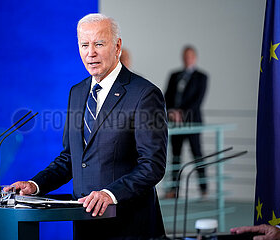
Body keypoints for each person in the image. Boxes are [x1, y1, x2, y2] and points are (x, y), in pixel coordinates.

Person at [9, 13, 168, 240]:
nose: (90, 53)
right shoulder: (78, 92)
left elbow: (152, 165)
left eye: (99, 44)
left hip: (129, 226)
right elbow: (70, 158)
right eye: (84, 45)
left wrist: (110, 194)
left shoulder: (144, 94)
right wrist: (35, 185)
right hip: (86, 226)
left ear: (117, 46)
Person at [164, 46, 208, 198]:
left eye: (190, 56)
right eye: (185, 56)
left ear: (195, 57)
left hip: (192, 121)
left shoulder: (202, 77)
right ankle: (173, 190)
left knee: (197, 154)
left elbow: (198, 100)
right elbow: (167, 95)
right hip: (175, 123)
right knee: (176, 155)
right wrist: (171, 111)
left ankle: (204, 189)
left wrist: (181, 113)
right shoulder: (174, 75)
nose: (187, 59)